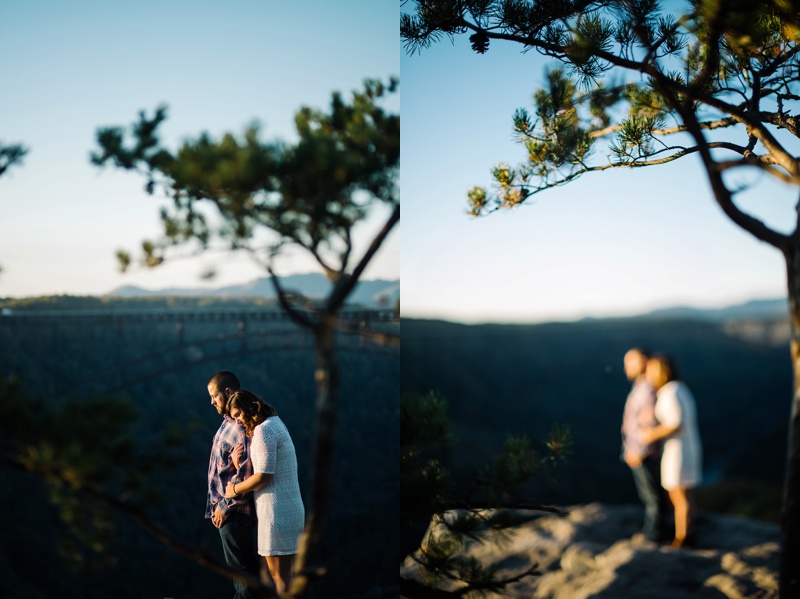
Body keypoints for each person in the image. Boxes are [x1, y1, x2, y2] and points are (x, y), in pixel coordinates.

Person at [224, 389, 305, 596]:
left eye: (238, 415)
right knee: (284, 576)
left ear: (249, 408)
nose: (238, 422)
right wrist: (238, 462)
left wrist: (233, 489)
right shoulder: (277, 423)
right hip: (289, 509)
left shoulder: (263, 430)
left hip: (276, 512)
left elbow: (263, 475)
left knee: (279, 577)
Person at [206, 371, 260, 599]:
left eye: (214, 396)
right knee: (241, 578)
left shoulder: (240, 427)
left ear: (227, 392)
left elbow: (247, 472)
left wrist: (224, 506)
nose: (211, 402)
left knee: (245, 579)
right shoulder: (228, 422)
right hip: (229, 514)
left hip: (235, 514)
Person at [640, 354, 703, 548]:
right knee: (686, 495)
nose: (648, 375)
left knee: (679, 497)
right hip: (687, 447)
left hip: (677, 450)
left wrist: (650, 435)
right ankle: (689, 532)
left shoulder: (670, 391)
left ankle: (681, 539)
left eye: (651, 370)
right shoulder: (680, 388)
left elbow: (676, 423)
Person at [621, 347, 666, 543]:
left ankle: (653, 534)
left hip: (643, 452)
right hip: (638, 450)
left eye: (631, 362)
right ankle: (654, 530)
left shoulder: (647, 388)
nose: (626, 367)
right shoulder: (641, 386)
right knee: (650, 494)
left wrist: (637, 450)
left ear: (645, 362)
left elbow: (649, 424)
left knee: (651, 496)